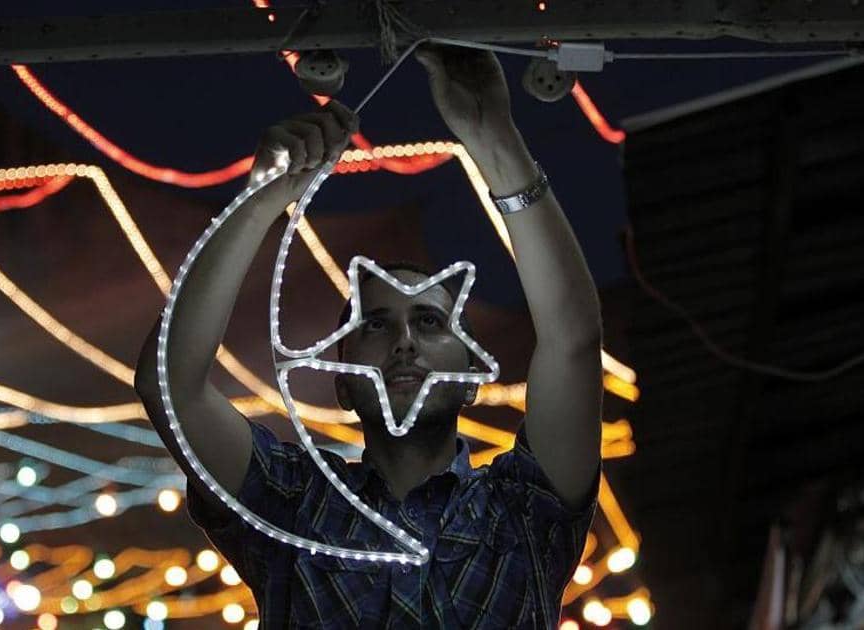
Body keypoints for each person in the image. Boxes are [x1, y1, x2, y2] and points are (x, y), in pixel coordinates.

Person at [135, 44, 603, 629]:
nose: (403, 341)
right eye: (375, 324)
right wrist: (257, 203)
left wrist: (495, 139)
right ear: (342, 383)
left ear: (471, 379)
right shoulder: (292, 503)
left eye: (429, 322)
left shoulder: (524, 509)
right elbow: (169, 385)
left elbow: (573, 340)